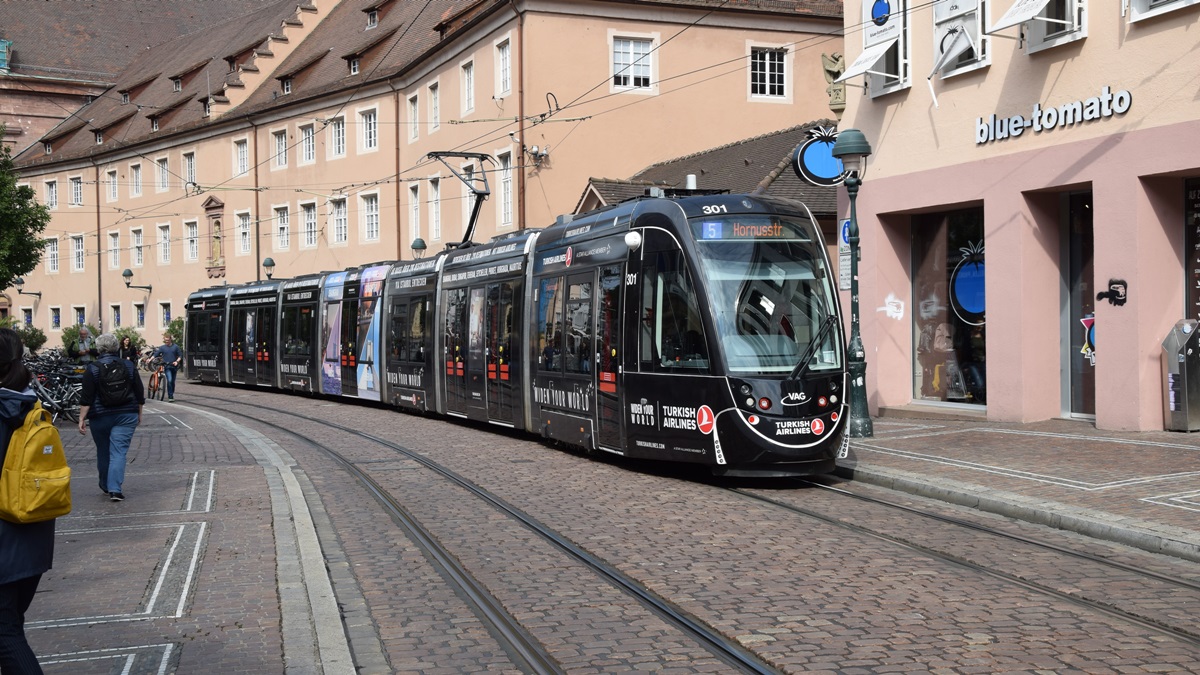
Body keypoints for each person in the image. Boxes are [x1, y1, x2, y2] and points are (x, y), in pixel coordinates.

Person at [0, 327, 55, 674]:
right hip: (33, 537)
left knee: (5, 635)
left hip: (4, 546)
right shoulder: (30, 402)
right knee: (11, 626)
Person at [78, 333, 144, 502]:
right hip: (126, 414)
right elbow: (139, 391)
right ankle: (115, 489)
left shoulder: (92, 368)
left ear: (98, 348)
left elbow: (87, 397)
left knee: (103, 450)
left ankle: (105, 484)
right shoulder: (128, 366)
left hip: (100, 415)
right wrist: (139, 412)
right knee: (119, 452)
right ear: (117, 347)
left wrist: (81, 419)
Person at [152, 334, 183, 403]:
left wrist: (177, 361)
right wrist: (150, 359)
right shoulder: (162, 348)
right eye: (165, 341)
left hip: (174, 366)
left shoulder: (175, 347)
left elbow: (180, 356)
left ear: (170, 340)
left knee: (172, 382)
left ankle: (171, 392)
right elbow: (156, 354)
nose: (166, 342)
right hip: (167, 366)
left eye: (168, 341)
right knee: (169, 380)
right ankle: (170, 396)